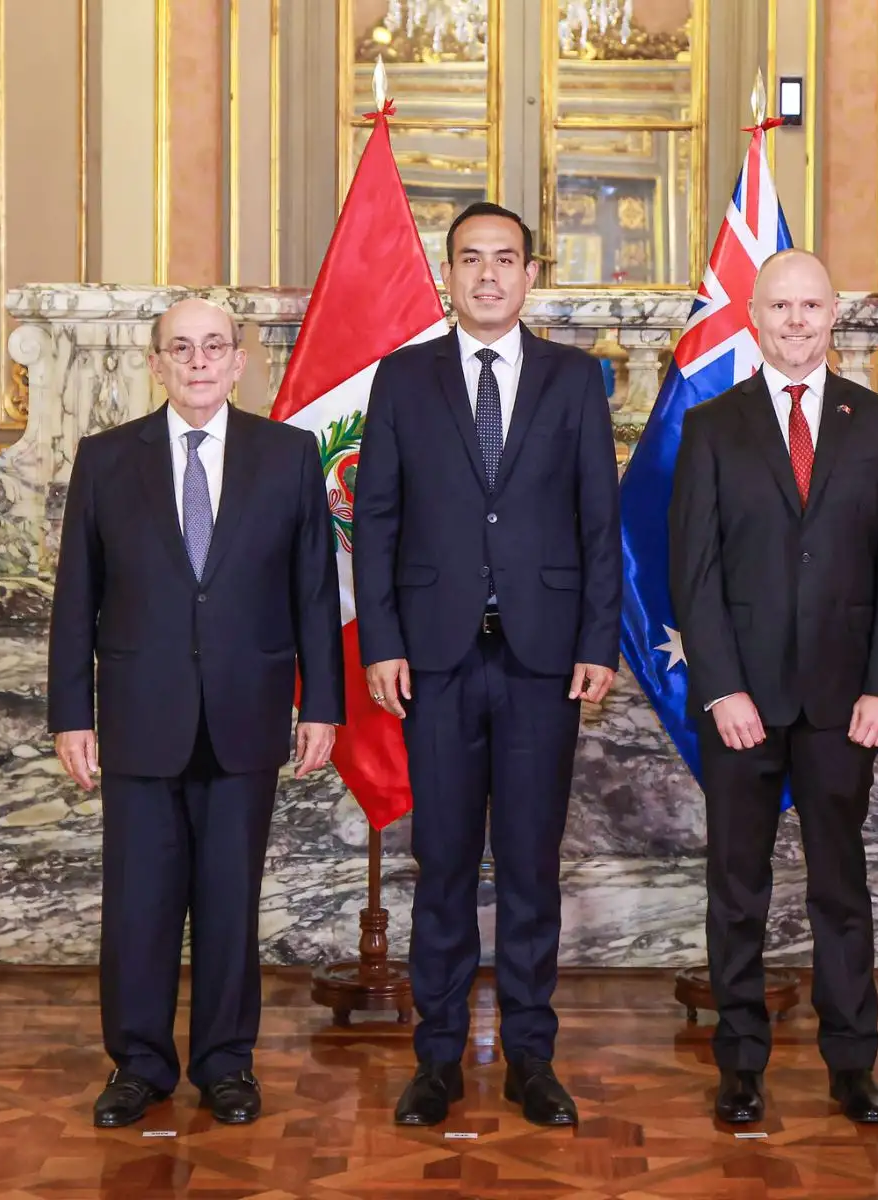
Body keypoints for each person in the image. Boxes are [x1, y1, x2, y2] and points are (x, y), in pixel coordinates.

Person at [353, 202, 622, 1129]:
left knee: (532, 866)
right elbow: (376, 519)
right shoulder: (404, 377)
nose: (489, 275)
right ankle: (436, 1059)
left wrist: (597, 642)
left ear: (530, 275)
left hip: (545, 660)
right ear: (449, 275)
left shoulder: (574, 378)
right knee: (442, 863)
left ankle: (530, 1059)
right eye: (471, 259)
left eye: (505, 259)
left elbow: (599, 521)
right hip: (435, 659)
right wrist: (382, 640)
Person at [47, 297, 344, 1128]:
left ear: (240, 361)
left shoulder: (287, 456)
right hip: (139, 719)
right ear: (157, 364)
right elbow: (76, 598)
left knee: (228, 901)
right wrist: (72, 715)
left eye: (215, 346)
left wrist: (321, 704)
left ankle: (225, 1064)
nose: (200, 361)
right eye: (181, 348)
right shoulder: (107, 459)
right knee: (138, 905)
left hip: (247, 715)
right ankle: (138, 1065)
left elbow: (314, 591)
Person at [669, 249, 878, 1125]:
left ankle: (852, 1062)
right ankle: (740, 1063)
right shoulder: (712, 426)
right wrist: (721, 689)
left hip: (844, 702)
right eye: (779, 307)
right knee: (737, 887)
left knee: (840, 888)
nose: (796, 321)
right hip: (741, 702)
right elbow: (693, 573)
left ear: (833, 314)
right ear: (753, 316)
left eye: (810, 306)